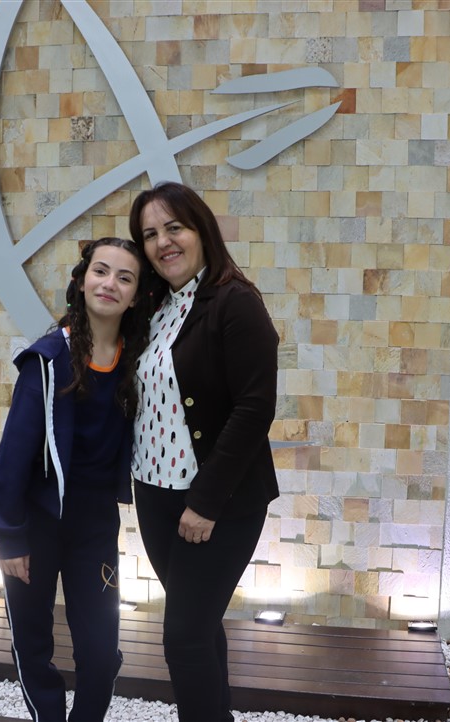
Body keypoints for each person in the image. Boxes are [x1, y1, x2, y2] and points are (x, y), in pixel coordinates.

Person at [128, 182, 280, 722]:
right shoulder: (155, 306)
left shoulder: (236, 302)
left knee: (184, 637)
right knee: (199, 624)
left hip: (216, 504)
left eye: (174, 228)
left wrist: (206, 502)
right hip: (155, 495)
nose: (163, 242)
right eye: (150, 234)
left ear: (201, 230)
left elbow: (255, 409)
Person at [0, 237, 150, 722]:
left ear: (135, 296)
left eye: (125, 277)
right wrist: (9, 535)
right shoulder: (46, 360)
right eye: (101, 271)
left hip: (94, 526)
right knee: (32, 642)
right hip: (35, 524)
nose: (110, 283)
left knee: (101, 650)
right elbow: (13, 454)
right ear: (81, 282)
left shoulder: (137, 362)